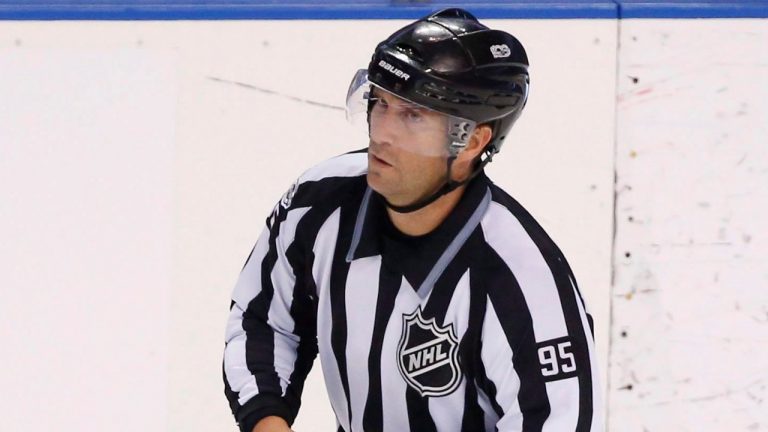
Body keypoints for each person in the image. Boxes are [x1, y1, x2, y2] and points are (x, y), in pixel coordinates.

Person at [223, 8, 602, 432]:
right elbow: (263, 320)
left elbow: (558, 422)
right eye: (380, 103)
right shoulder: (319, 202)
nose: (382, 131)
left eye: (412, 116)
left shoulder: (523, 279)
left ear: (472, 141)